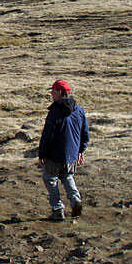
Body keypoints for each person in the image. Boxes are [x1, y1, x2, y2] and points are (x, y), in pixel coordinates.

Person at [38, 80, 90, 221]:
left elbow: (48, 136)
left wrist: (41, 154)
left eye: (53, 91)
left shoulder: (55, 112)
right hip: (72, 155)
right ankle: (75, 201)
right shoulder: (79, 110)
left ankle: (57, 210)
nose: (51, 93)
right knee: (67, 177)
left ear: (60, 93)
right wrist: (80, 151)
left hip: (54, 156)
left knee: (50, 179)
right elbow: (85, 134)